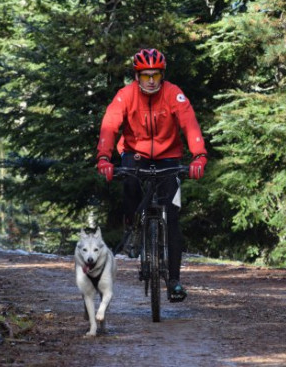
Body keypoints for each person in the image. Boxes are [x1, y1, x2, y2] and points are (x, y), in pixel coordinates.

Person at [95, 48, 208, 302]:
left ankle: (175, 281)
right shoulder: (125, 96)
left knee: (174, 217)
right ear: (137, 76)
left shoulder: (173, 94)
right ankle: (133, 226)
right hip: (135, 153)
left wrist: (199, 155)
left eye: (155, 76)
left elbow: (189, 124)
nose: (150, 81)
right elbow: (110, 125)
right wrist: (104, 157)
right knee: (131, 183)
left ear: (162, 75)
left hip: (169, 157)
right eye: (145, 75)